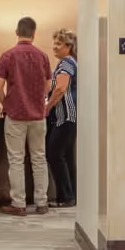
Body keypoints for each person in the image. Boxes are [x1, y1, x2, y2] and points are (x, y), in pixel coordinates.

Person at [0, 17, 52, 216]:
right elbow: (47, 85)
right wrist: (39, 99)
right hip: (38, 116)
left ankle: (18, 204)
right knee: (39, 159)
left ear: (16, 32)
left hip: (16, 115)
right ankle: (42, 202)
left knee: (16, 160)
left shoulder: (7, 56)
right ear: (34, 33)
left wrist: (7, 105)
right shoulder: (43, 56)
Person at [44, 29, 78, 208]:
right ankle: (71, 195)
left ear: (68, 46)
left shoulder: (65, 63)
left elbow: (60, 89)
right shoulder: (71, 62)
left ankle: (65, 197)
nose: (54, 47)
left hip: (65, 116)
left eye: (58, 44)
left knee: (54, 154)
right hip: (69, 117)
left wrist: (47, 108)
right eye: (54, 43)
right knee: (66, 156)